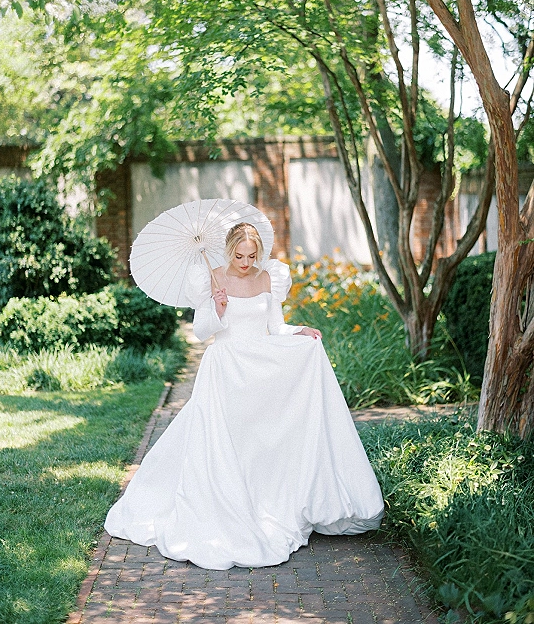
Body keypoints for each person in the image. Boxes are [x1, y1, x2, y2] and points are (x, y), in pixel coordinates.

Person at [104, 223, 384, 570]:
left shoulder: (267, 278)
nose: (246, 262)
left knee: (259, 440)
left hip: (260, 367)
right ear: (228, 250)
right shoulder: (211, 279)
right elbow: (202, 332)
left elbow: (274, 326)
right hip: (226, 368)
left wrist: (298, 331)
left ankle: (264, 500)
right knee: (225, 440)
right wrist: (217, 308)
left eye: (253, 256)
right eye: (240, 256)